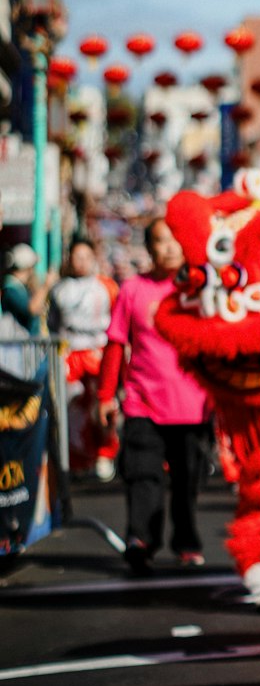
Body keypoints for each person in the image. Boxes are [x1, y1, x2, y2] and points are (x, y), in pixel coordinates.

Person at [96, 217, 212, 573]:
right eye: (161, 241)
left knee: (186, 479)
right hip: (142, 400)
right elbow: (116, 343)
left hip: (193, 403)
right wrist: (105, 395)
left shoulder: (201, 287)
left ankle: (186, 541)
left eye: (176, 240)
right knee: (142, 473)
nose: (170, 247)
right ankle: (140, 540)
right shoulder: (132, 289)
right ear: (149, 249)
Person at [48, 238, 119, 479]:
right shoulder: (59, 289)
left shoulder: (106, 286)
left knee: (102, 405)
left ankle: (104, 454)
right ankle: (77, 460)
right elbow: (53, 324)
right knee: (72, 408)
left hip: (98, 351)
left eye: (86, 257)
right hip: (70, 353)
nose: (81, 262)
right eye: (77, 257)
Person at [2, 244, 57, 335]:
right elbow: (32, 309)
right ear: (28, 268)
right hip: (18, 345)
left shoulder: (21, 287)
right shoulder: (11, 289)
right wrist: (46, 285)